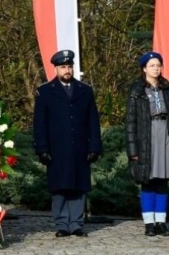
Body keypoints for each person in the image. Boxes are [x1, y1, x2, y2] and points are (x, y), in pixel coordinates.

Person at [32, 50, 102, 238]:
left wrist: (95, 146)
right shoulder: (45, 91)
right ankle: (62, 224)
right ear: (56, 68)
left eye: (70, 66)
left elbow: (93, 121)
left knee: (79, 186)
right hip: (57, 148)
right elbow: (40, 123)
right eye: (63, 67)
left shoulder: (85, 90)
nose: (67, 70)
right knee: (60, 186)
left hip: (80, 146)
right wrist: (42, 148)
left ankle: (77, 223)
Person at [124, 51, 169, 236]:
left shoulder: (168, 89)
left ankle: (161, 222)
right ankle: (149, 223)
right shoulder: (137, 90)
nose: (156, 68)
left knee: (162, 182)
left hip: (165, 136)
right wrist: (133, 149)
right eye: (152, 65)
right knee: (148, 181)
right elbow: (130, 122)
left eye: (158, 65)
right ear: (144, 69)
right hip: (146, 139)